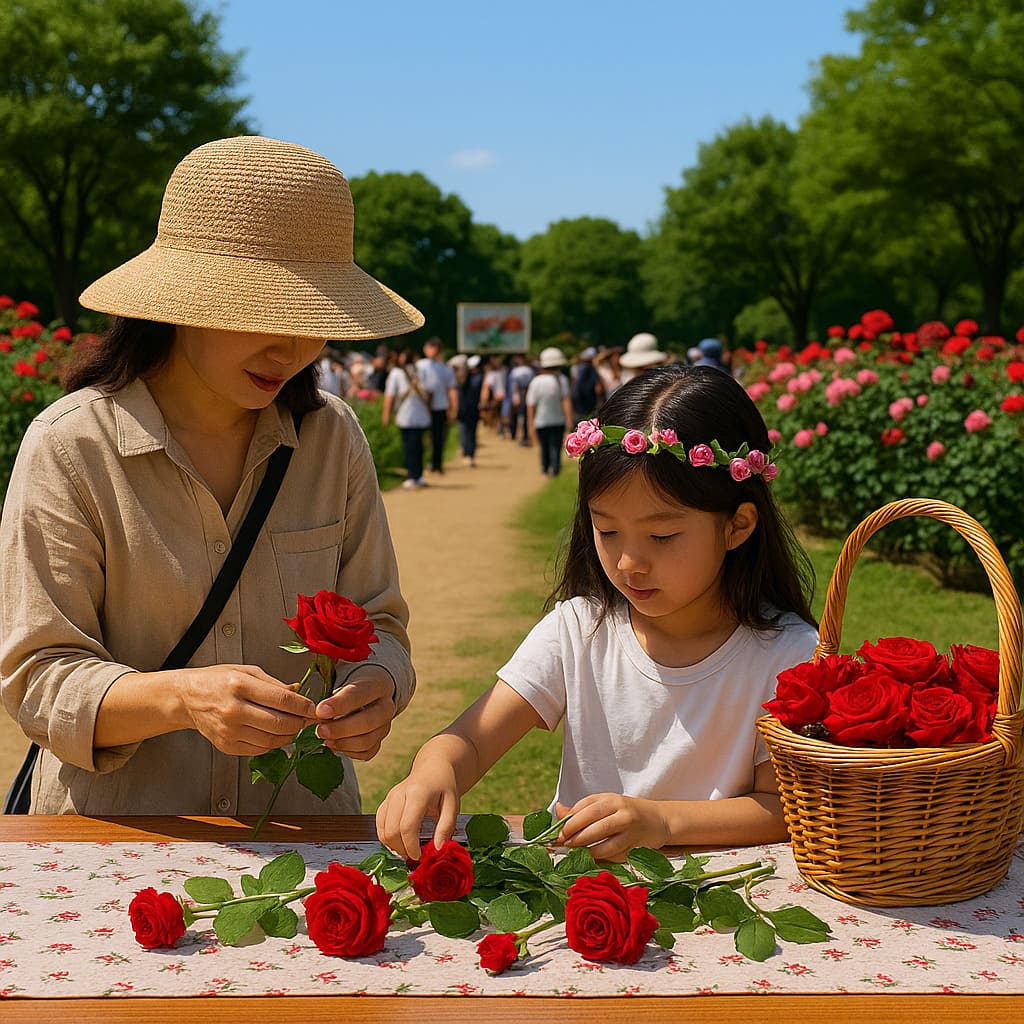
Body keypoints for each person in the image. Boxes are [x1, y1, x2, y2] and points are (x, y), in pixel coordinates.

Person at [0, 135, 423, 816]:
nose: (291, 347)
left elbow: (379, 621)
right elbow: (38, 679)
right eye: (259, 311)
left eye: (312, 318)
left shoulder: (330, 436)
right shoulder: (73, 446)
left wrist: (378, 681)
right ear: (182, 301)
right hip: (119, 844)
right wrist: (180, 699)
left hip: (301, 831)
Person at [377, 364, 818, 861]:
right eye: (606, 531)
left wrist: (662, 819)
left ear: (738, 525)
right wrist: (435, 767)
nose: (629, 562)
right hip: (584, 904)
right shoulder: (581, 629)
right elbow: (472, 741)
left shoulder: (789, 656)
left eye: (662, 536)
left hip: (721, 905)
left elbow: (782, 807)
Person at [382, 347, 432, 489]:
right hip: (421, 414)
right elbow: (429, 392)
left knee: (409, 446)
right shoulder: (420, 371)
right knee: (419, 447)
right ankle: (419, 475)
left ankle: (412, 476)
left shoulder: (396, 373)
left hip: (405, 415)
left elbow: (390, 396)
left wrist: (386, 415)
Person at [525, 346, 573, 477]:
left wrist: (530, 423)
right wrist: (569, 419)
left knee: (544, 447)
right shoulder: (561, 379)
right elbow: (566, 400)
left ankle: (545, 470)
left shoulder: (536, 381)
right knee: (555, 447)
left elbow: (531, 405)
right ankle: (556, 470)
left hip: (541, 420)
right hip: (558, 420)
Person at [416, 337, 457, 474]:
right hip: (422, 407)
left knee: (438, 437)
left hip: (439, 407)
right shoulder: (420, 366)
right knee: (421, 438)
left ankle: (437, 464)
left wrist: (453, 408)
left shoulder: (445, 368)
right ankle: (420, 466)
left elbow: (452, 389)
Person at [456, 354, 484, 466]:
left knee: (470, 433)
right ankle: (467, 453)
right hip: (463, 410)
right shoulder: (460, 380)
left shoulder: (477, 379)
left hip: (472, 410)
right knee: (464, 433)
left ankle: (469, 454)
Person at [570, 346, 605, 420]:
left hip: (580, 400)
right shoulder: (589, 368)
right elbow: (598, 387)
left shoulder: (579, 367)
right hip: (588, 400)